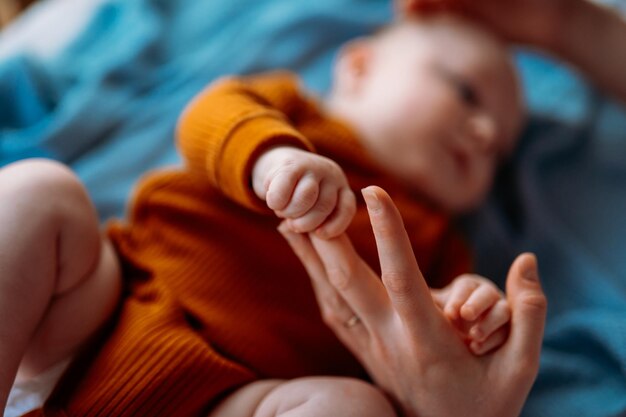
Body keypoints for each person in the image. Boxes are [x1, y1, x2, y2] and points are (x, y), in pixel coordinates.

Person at [0, 11, 535, 417]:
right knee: (40, 191)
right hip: (105, 308)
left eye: (499, 151)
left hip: (237, 396)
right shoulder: (290, 116)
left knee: (352, 408)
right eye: (466, 94)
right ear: (359, 67)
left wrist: (466, 315)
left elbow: (423, 347)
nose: (484, 134)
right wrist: (270, 159)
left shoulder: (441, 245)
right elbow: (209, 116)